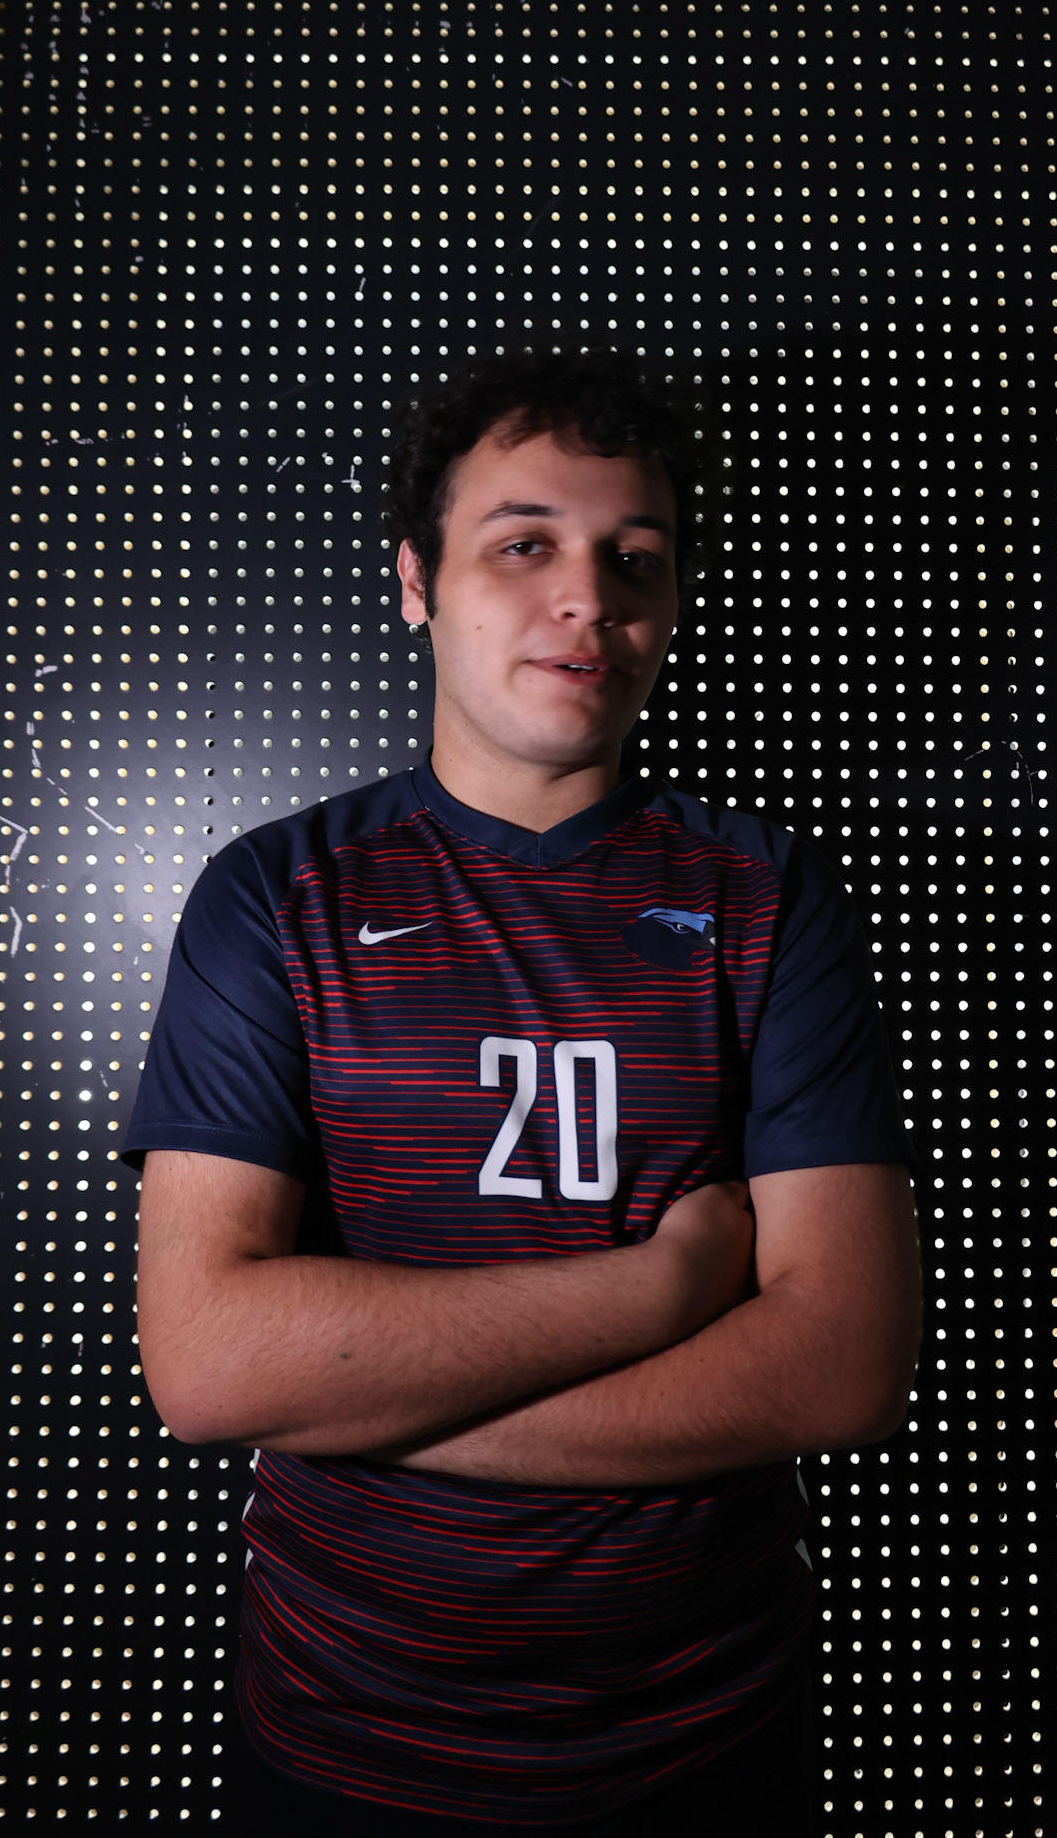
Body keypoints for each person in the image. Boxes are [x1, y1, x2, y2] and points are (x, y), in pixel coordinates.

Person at [124, 346, 921, 1835]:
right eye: (523, 545)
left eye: (636, 559)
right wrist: (668, 1283)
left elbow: (842, 1363)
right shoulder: (275, 896)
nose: (589, 599)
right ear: (416, 582)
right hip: (342, 1746)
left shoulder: (765, 896)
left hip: (705, 1745)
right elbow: (212, 1365)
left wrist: (360, 1399)